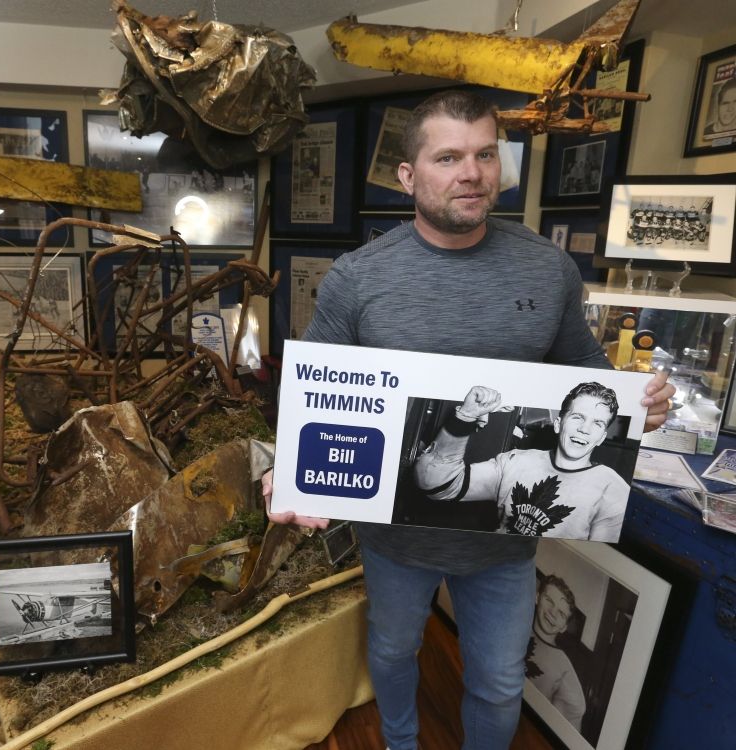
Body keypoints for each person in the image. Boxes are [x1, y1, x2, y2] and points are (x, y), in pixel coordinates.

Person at [261, 89, 673, 750]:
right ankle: (400, 745)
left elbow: (588, 373)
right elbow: (316, 396)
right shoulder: (356, 280)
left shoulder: (548, 268)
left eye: (486, 154)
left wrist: (637, 407)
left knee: (501, 683)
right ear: (408, 175)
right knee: (395, 656)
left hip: (503, 538)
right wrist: (290, 468)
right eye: (448, 156)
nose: (472, 172)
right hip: (394, 537)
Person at [414, 381, 630, 542]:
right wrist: (466, 416)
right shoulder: (516, 462)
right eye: (577, 417)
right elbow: (436, 484)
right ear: (558, 424)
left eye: (598, 423)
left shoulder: (613, 490)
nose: (585, 429)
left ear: (602, 437)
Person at [525, 575, 586, 732]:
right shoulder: (516, 625)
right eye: (549, 600)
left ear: (564, 627)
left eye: (562, 614)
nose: (553, 612)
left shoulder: (563, 666)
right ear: (537, 597)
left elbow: (574, 713)